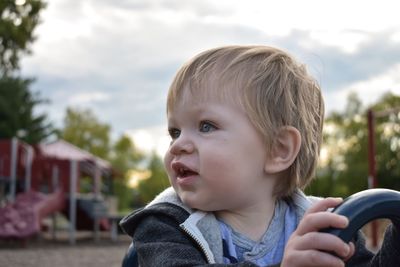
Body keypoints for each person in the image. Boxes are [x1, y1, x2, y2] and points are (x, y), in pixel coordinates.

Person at [120, 45, 400, 266]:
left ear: (279, 150)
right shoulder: (163, 225)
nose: (178, 145)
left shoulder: (323, 224)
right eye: (175, 131)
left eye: (206, 126)